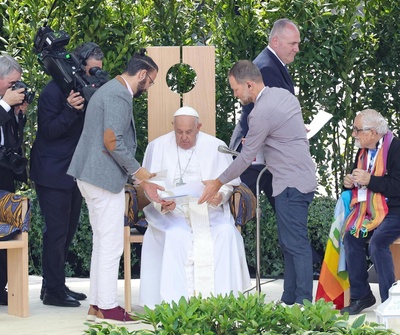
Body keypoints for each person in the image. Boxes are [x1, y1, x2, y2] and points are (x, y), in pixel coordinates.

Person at [199, 60, 317, 305]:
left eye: (235, 89)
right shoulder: (284, 96)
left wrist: (217, 182)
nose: (235, 95)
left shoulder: (260, 113)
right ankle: (289, 299)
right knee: (288, 243)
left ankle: (305, 302)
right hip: (298, 180)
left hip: (290, 183)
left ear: (249, 84)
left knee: (296, 244)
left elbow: (245, 158)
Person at [67, 48, 164, 324]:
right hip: (102, 178)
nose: (149, 87)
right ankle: (109, 306)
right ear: (142, 74)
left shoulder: (109, 89)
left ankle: (98, 304)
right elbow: (112, 141)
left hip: (90, 176)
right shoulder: (120, 95)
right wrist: (140, 172)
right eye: (151, 81)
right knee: (111, 246)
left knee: (102, 243)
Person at [139, 106, 251, 308]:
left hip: (209, 211)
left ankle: (223, 304)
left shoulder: (216, 146)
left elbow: (229, 184)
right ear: (173, 128)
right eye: (178, 132)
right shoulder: (157, 147)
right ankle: (174, 306)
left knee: (225, 232)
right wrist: (162, 203)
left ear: (198, 127)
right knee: (176, 235)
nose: (183, 137)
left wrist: (220, 196)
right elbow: (149, 188)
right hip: (172, 213)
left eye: (188, 132)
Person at [30, 42, 105, 308]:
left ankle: (54, 285)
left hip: (74, 171)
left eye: (99, 70)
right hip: (52, 172)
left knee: (68, 232)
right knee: (57, 233)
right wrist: (71, 110)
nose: (95, 75)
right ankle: (53, 293)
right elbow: (48, 132)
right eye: (92, 69)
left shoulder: (86, 90)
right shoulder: (53, 91)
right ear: (80, 65)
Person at [229, 18, 300, 210]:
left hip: (264, 154)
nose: (297, 49)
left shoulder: (272, 63)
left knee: (285, 212)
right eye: (292, 43)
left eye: (297, 43)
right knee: (235, 214)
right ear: (275, 41)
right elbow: (270, 114)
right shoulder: (267, 67)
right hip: (255, 155)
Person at [340, 109, 400, 315]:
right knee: (351, 236)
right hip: (370, 211)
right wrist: (349, 182)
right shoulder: (363, 151)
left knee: (378, 242)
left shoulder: (396, 148)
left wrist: (370, 180)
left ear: (373, 132)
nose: (354, 134)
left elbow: (397, 186)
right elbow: (359, 182)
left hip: (395, 210)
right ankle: (362, 295)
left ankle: (389, 299)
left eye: (358, 130)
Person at [0, 54, 29, 305]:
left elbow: (12, 138)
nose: (15, 88)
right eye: (11, 83)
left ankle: (1, 288)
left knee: (6, 232)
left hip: (5, 171)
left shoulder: (6, 102)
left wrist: (18, 114)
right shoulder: (3, 103)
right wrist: (6, 106)